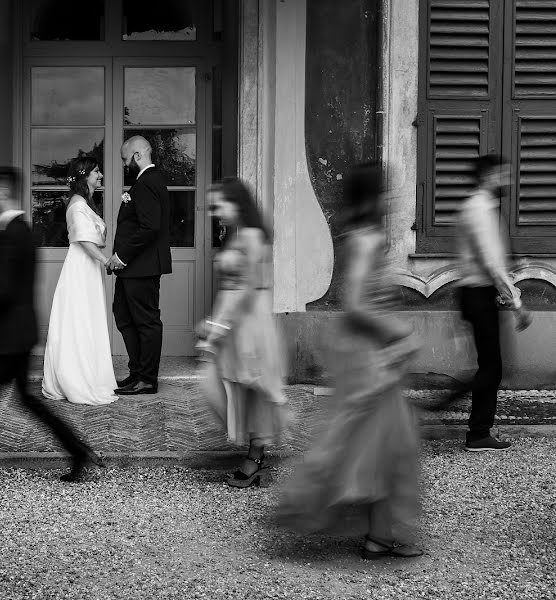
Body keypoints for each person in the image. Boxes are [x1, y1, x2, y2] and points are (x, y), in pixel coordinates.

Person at [277, 162, 423, 560]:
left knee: (378, 440)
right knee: (375, 441)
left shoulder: (359, 234)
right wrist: (398, 332)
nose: (392, 199)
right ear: (374, 197)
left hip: (366, 351)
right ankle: (309, 507)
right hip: (369, 353)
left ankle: (376, 534)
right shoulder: (367, 238)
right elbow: (357, 301)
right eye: (387, 192)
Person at [0, 167, 103, 486]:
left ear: (1, 191)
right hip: (19, 333)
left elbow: (6, 291)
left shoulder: (12, 232)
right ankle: (78, 451)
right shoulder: (17, 228)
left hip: (5, 338)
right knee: (26, 400)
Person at [196, 178, 290, 488]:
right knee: (224, 385)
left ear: (236, 204)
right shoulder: (237, 235)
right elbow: (230, 289)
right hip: (235, 323)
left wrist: (219, 327)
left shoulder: (251, 237)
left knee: (253, 388)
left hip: (250, 325)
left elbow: (248, 289)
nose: (215, 211)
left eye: (219, 204)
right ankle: (253, 445)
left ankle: (256, 454)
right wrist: (214, 322)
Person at [453, 154, 531, 451]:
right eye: (502, 174)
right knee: (491, 368)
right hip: (478, 293)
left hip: (480, 293)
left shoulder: (482, 208)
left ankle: (477, 428)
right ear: (488, 176)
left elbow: (493, 259)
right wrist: (518, 306)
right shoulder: (479, 209)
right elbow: (489, 262)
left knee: (491, 365)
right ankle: (477, 433)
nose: (507, 181)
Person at [42, 156, 117, 405]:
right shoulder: (77, 205)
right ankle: (76, 378)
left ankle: (92, 374)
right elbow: (84, 241)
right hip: (82, 267)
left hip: (88, 268)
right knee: (80, 320)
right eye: (97, 171)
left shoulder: (85, 203)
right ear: (85, 175)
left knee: (88, 319)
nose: (101, 176)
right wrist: (106, 261)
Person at [108, 136, 172, 395]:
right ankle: (137, 372)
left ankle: (147, 379)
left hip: (140, 266)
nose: (124, 165)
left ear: (136, 155)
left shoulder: (147, 182)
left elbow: (149, 228)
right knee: (123, 315)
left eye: (125, 159)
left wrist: (120, 256)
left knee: (146, 321)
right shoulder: (146, 181)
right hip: (134, 268)